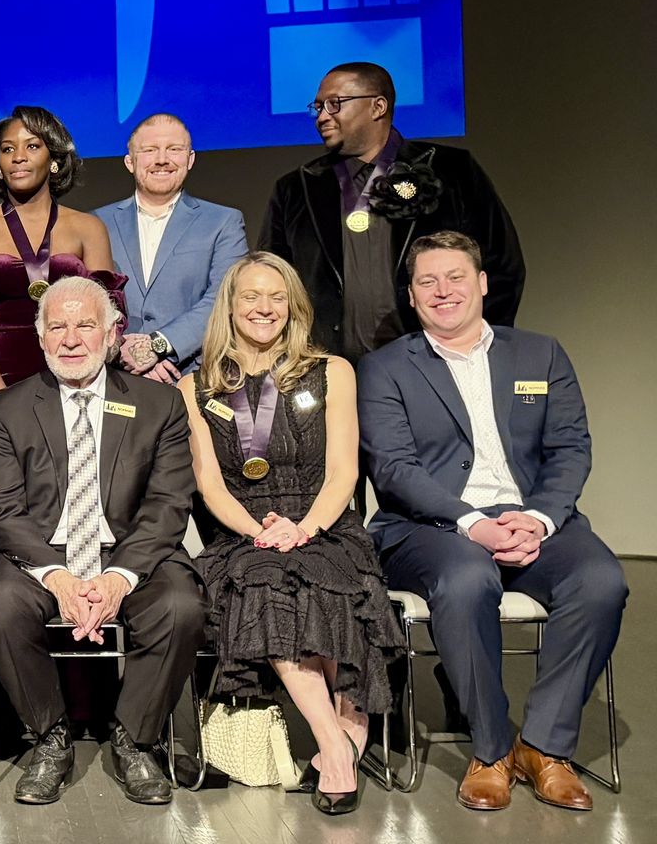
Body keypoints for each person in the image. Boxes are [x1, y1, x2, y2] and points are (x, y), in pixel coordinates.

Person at [361, 231, 624, 813]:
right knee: (465, 580)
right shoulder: (384, 368)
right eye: (427, 281)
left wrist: (538, 518)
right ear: (411, 295)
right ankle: (490, 748)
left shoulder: (540, 353)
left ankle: (544, 747)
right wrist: (472, 522)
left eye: (456, 277)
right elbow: (395, 469)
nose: (443, 291)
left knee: (602, 582)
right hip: (430, 528)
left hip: (532, 519)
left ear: (482, 284)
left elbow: (570, 449)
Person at [177, 253, 401, 815]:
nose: (264, 308)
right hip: (243, 532)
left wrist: (305, 527)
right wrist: (264, 532)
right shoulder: (196, 386)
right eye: (250, 296)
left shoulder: (334, 372)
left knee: (336, 585)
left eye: (277, 297)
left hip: (324, 520)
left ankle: (340, 746)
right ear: (229, 306)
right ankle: (337, 746)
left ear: (294, 306)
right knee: (267, 585)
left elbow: (344, 472)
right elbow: (211, 487)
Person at [0, 276, 204, 807]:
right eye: (57, 326)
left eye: (85, 325)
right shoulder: (8, 408)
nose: (71, 338)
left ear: (111, 333)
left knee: (180, 605)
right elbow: (1, 510)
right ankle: (51, 738)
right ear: (40, 336)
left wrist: (117, 578)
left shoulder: (159, 404)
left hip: (127, 551)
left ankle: (133, 738)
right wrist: (57, 577)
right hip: (38, 555)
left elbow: (169, 503)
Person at [262, 62, 526, 361]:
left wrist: (476, 349)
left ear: (378, 106)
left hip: (436, 363)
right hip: (335, 372)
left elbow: (501, 266)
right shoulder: (296, 188)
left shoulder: (451, 171)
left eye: (335, 104)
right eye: (318, 107)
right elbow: (273, 279)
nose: (322, 116)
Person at [0, 107, 124, 423]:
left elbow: (110, 318)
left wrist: (77, 389)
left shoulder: (88, 228)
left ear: (54, 159)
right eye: (7, 149)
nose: (18, 157)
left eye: (32, 146)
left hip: (76, 394)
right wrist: (0, 399)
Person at [94, 114, 248, 381]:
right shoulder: (96, 223)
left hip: (190, 377)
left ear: (190, 160)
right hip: (114, 376)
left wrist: (159, 346)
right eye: (149, 150)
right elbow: (88, 301)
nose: (162, 159)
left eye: (174, 149)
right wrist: (122, 349)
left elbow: (223, 298)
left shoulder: (224, 221)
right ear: (130, 161)